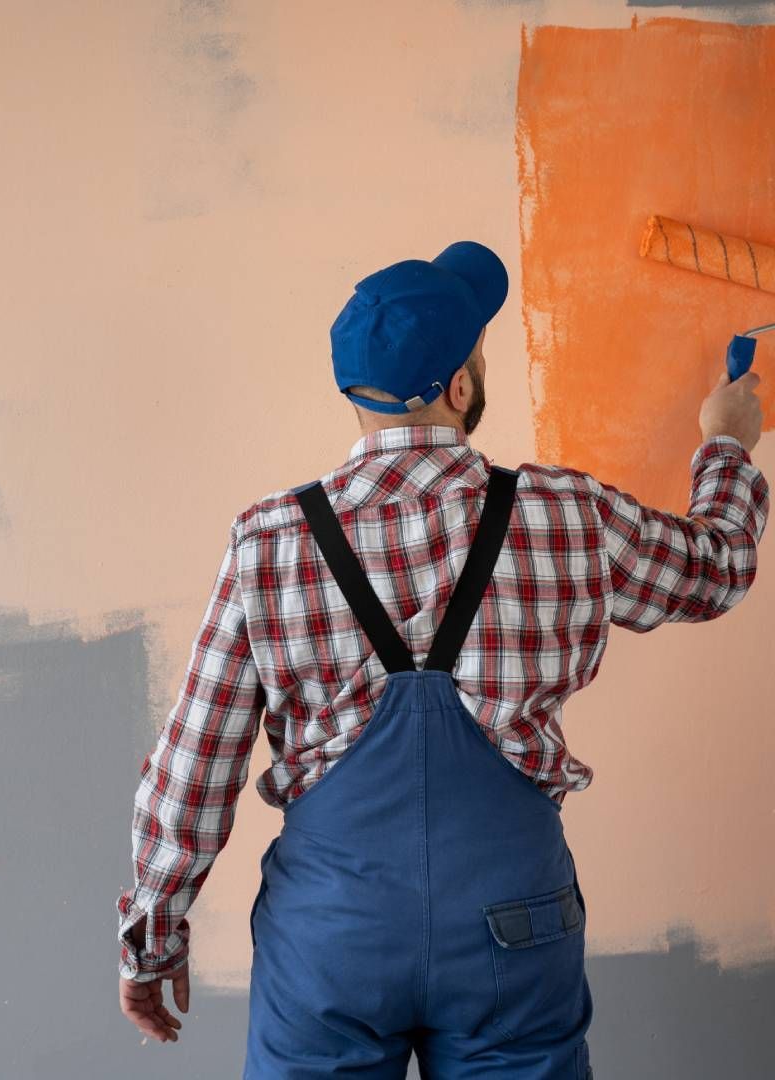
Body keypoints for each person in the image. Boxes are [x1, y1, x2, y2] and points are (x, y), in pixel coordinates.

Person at [113, 240, 768, 1077]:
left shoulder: (268, 542)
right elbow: (717, 570)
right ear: (461, 389)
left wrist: (153, 936)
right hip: (513, 930)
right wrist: (727, 446)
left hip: (333, 940)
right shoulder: (566, 514)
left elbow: (192, 769)